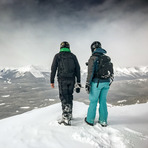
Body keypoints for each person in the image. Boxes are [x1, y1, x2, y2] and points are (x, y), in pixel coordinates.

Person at [50, 41, 81, 126]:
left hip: (62, 80)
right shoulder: (73, 56)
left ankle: (66, 119)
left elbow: (53, 69)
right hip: (72, 80)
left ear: (61, 47)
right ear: (69, 47)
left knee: (64, 97)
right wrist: (78, 82)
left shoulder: (57, 56)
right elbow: (78, 69)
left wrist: (51, 81)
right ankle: (69, 115)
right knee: (69, 96)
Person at [85, 41, 114, 127]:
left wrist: (88, 84)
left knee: (93, 101)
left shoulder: (93, 58)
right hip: (106, 82)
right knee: (103, 101)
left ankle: (90, 120)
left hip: (97, 83)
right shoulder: (107, 58)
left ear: (93, 48)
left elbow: (90, 73)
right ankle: (103, 121)